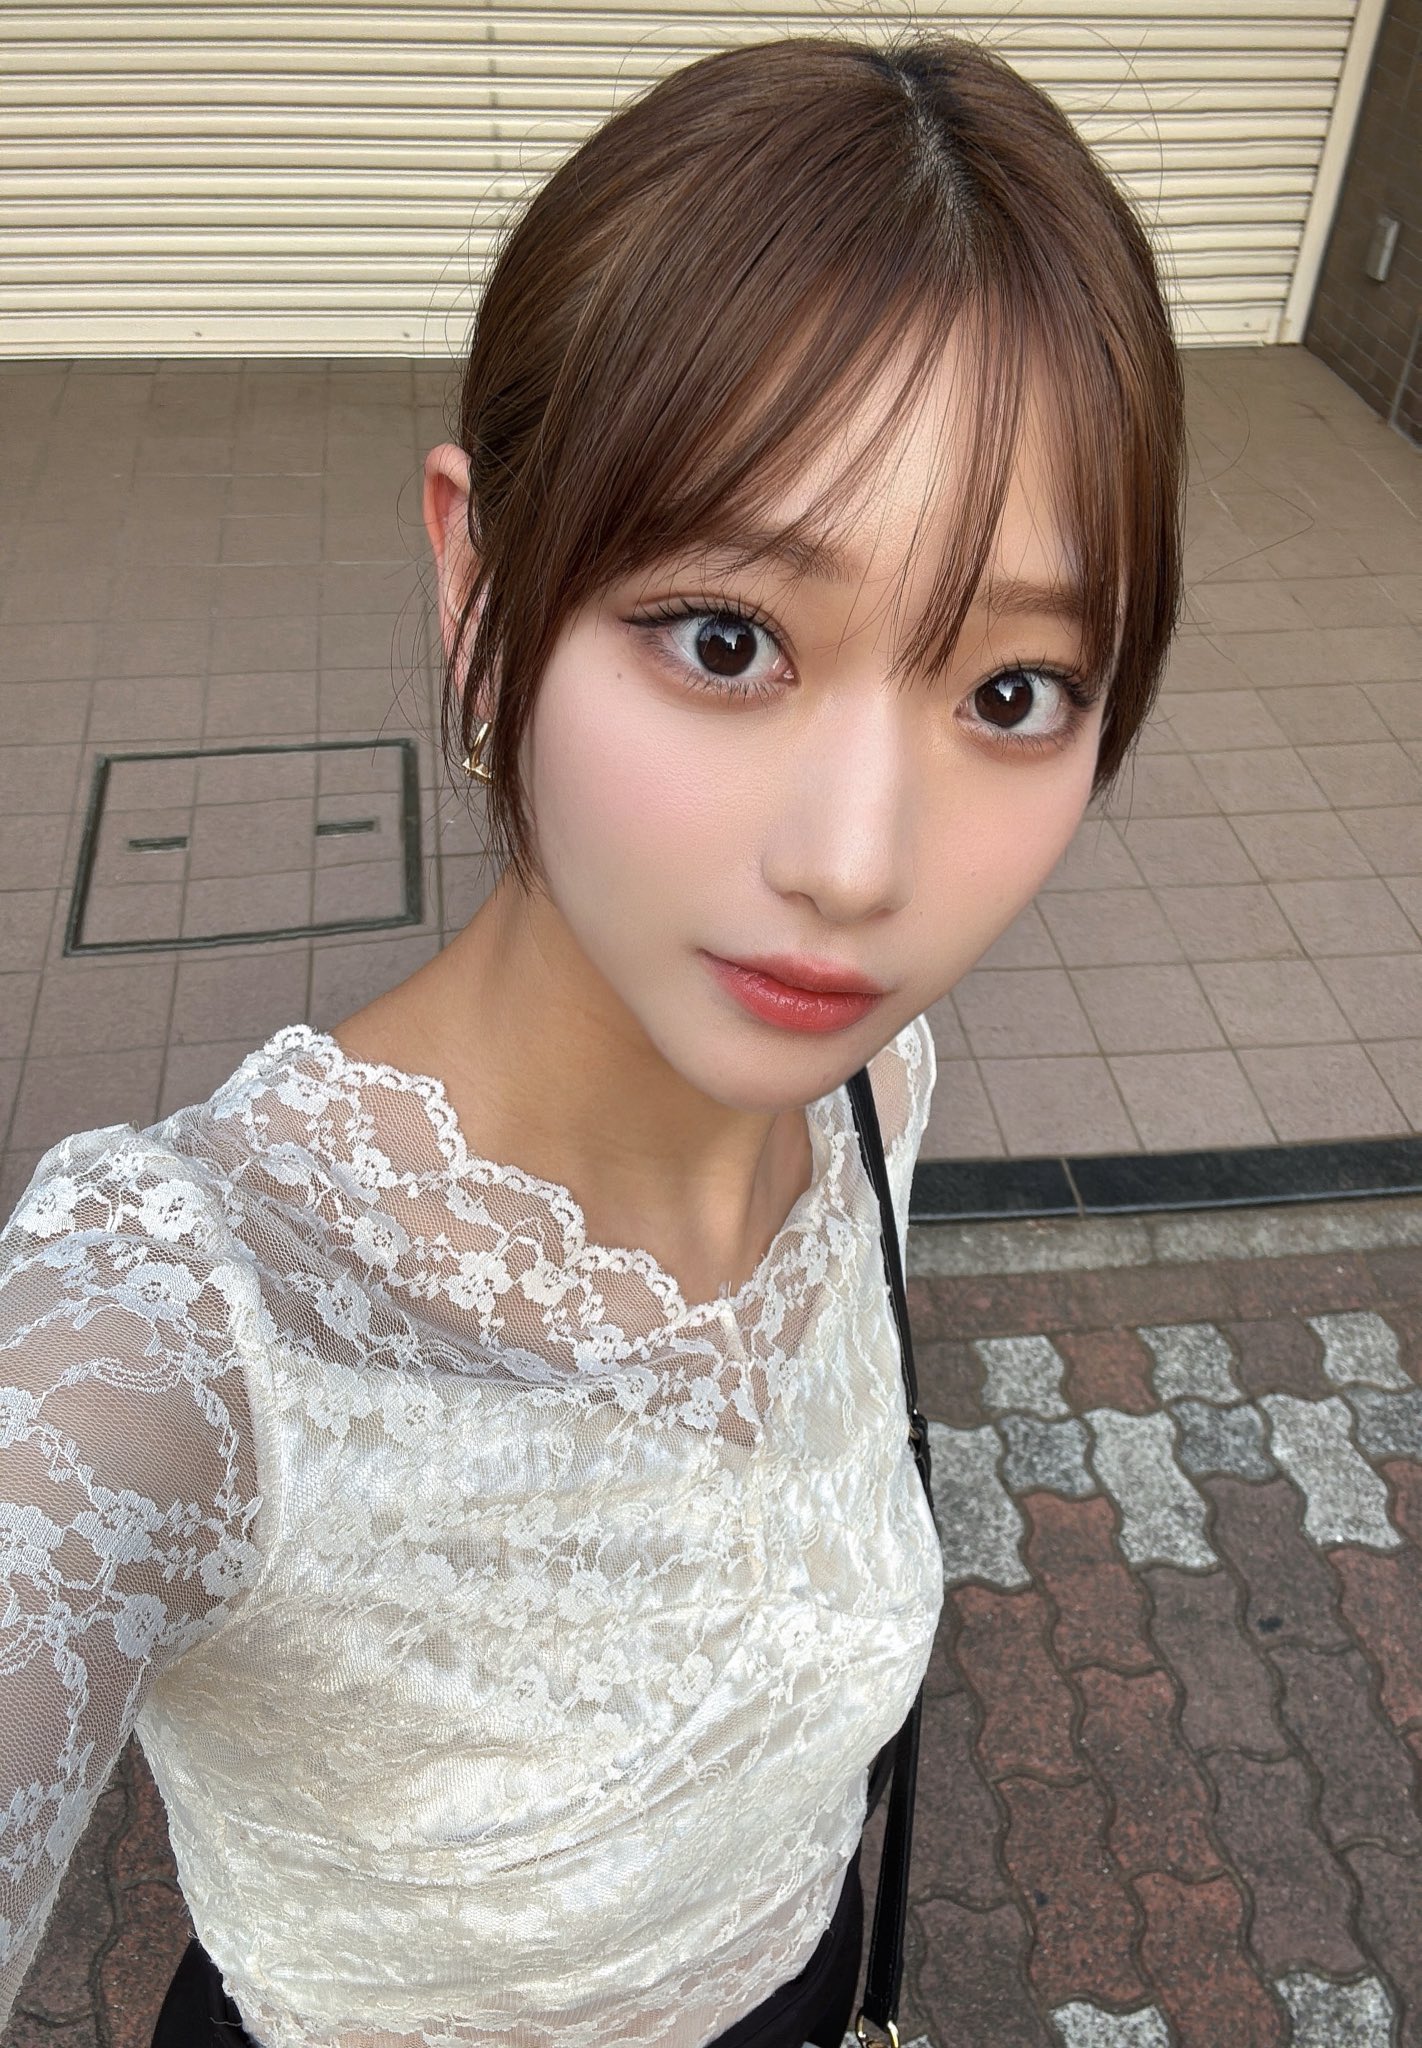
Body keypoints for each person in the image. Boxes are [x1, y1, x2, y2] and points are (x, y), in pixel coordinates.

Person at [0, 27, 1183, 2048]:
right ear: (480, 590)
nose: (857, 866)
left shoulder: (871, 1094)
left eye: (1012, 692)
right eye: (728, 640)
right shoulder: (172, 1337)